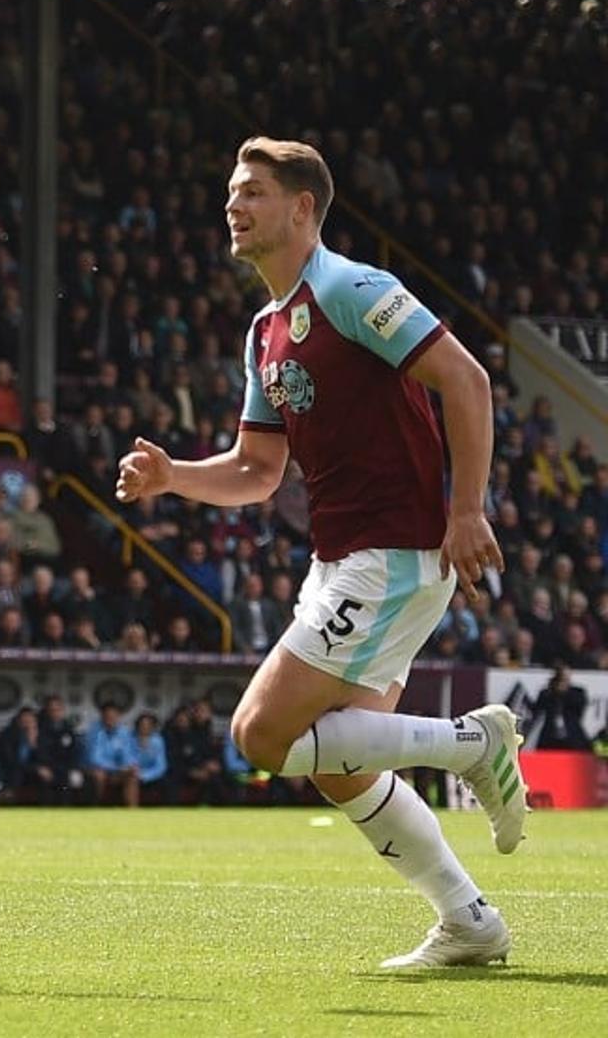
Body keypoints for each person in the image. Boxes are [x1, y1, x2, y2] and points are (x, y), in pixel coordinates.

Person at [116, 137, 526, 970]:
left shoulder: (353, 288)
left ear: (303, 208)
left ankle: (474, 747)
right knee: (341, 763)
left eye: (255, 192)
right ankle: (470, 922)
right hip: (341, 560)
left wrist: (467, 507)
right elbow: (255, 470)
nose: (235, 205)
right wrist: (172, 479)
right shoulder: (266, 329)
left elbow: (468, 380)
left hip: (392, 553)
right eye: (233, 191)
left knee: (261, 736)